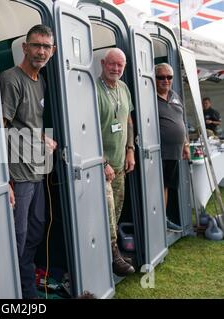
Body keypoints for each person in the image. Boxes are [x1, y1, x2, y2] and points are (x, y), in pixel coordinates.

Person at [0, 24, 57, 299]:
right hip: (18, 175)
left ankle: (26, 287)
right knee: (18, 237)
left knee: (35, 230)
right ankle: (14, 293)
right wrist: (4, 179)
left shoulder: (41, 80)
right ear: (25, 47)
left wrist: (44, 140)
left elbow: (28, 125)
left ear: (53, 51)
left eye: (46, 47)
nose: (41, 51)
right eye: (36, 45)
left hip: (37, 171)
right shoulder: (12, 79)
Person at [96, 48, 135, 277]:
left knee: (116, 211)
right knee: (108, 211)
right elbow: (86, 130)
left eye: (120, 65)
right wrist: (102, 162)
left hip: (120, 164)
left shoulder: (124, 88)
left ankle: (110, 253)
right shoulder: (93, 90)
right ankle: (113, 255)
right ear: (103, 63)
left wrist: (130, 149)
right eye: (112, 64)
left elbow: (128, 120)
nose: (116, 69)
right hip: (103, 167)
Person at [155, 63, 190, 233]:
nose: (165, 80)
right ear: (154, 78)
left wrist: (186, 144)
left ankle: (163, 220)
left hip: (174, 152)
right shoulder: (150, 98)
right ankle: (159, 221)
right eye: (161, 77)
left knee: (166, 185)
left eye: (169, 77)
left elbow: (182, 121)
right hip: (159, 153)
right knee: (159, 186)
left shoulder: (175, 96)